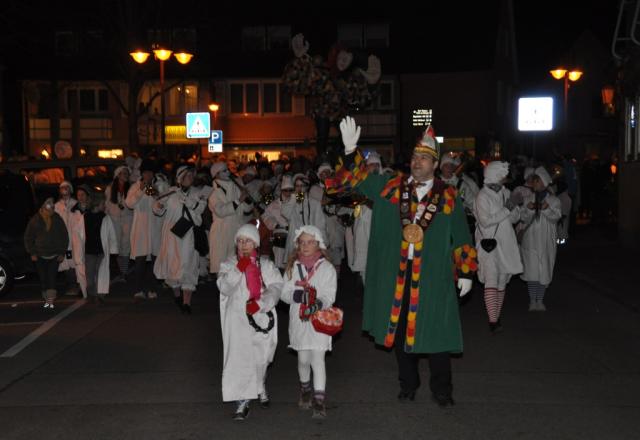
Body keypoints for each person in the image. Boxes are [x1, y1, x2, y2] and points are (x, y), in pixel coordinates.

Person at [327, 118, 475, 407]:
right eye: (415, 156)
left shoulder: (448, 195)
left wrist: (467, 272)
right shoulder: (391, 187)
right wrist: (350, 151)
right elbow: (357, 181)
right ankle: (408, 383)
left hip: (433, 277)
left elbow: (461, 234)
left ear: (435, 164)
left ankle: (442, 389)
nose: (417, 162)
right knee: (399, 332)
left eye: (424, 158)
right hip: (397, 277)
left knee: (437, 333)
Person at [217, 224, 283, 421]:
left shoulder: (265, 264)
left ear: (255, 243)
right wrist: (239, 269)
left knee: (261, 358)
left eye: (247, 241)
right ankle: (242, 401)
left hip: (260, 317)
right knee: (240, 359)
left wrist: (262, 303)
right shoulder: (229, 264)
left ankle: (259, 385)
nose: (243, 244)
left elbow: (276, 286)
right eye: (240, 241)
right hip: (237, 319)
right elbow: (224, 287)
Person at [280, 225, 337, 419]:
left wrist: (318, 302)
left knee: (317, 359)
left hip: (319, 320)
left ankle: (319, 401)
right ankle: (305, 388)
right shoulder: (292, 267)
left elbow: (330, 294)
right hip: (299, 320)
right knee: (303, 359)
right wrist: (297, 296)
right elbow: (284, 293)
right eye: (302, 242)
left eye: (310, 242)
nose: (305, 246)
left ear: (318, 244)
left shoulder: (327, 268)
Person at [473, 161, 523, 333]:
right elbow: (485, 222)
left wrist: (515, 207)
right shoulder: (482, 196)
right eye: (503, 175)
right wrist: (508, 208)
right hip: (488, 244)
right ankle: (493, 321)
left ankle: (496, 315)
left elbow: (514, 218)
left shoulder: (505, 192)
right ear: (495, 175)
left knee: (502, 281)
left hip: (506, 242)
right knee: (491, 279)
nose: (505, 178)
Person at [154, 166, 206, 314]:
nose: (190, 178)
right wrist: (159, 205)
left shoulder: (198, 193)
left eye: (191, 175)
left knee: (189, 265)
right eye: (187, 175)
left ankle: (186, 302)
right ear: (180, 177)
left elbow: (201, 209)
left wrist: (188, 201)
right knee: (173, 265)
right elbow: (157, 208)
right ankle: (177, 296)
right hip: (172, 236)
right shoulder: (171, 192)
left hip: (189, 236)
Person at [520, 167, 562, 311]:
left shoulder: (554, 200)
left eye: (536, 181)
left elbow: (556, 217)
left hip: (546, 240)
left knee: (544, 270)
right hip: (530, 240)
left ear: (543, 182)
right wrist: (529, 210)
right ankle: (532, 301)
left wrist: (546, 209)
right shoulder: (528, 199)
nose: (534, 183)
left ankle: (540, 300)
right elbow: (523, 218)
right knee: (532, 271)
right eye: (533, 181)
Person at [70, 190, 118, 304]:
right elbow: (77, 233)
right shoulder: (85, 217)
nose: (104, 205)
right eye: (103, 203)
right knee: (90, 276)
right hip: (89, 252)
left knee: (100, 273)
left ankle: (99, 295)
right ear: (97, 204)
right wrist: (77, 250)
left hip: (101, 251)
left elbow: (112, 234)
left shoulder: (105, 218)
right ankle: (92, 292)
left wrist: (113, 249)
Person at [208, 162, 254, 276]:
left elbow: (246, 209)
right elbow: (221, 211)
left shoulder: (236, 187)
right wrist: (239, 200)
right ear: (216, 174)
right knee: (222, 267)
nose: (228, 172)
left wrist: (247, 199)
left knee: (238, 265)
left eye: (227, 170)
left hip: (236, 230)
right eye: (224, 171)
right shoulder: (213, 193)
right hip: (221, 233)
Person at [126, 160, 162, 300]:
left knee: (154, 260)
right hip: (140, 229)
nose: (148, 175)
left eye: (150, 172)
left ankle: (152, 289)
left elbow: (161, 202)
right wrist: (141, 190)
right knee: (140, 260)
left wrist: (154, 192)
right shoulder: (136, 187)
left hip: (155, 228)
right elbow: (129, 203)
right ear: (142, 174)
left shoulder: (158, 185)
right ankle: (139, 289)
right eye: (146, 172)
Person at [24, 197, 69, 309]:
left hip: (54, 255)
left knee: (52, 278)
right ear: (43, 206)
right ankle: (47, 298)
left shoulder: (57, 218)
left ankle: (50, 301)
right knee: (43, 279)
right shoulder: (35, 219)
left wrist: (62, 252)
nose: (51, 208)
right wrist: (32, 252)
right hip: (40, 255)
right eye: (48, 205)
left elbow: (64, 236)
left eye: (52, 205)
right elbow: (28, 237)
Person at [282, 173, 326, 263]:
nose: (299, 188)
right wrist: (294, 197)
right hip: (295, 243)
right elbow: (285, 213)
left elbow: (321, 225)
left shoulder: (315, 203)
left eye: (302, 186)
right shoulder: (291, 202)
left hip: (310, 243)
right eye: (297, 186)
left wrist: (322, 244)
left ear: (306, 187)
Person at [105, 165, 133, 281]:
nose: (126, 175)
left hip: (127, 218)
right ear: (118, 175)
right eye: (123, 173)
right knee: (116, 244)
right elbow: (107, 205)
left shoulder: (131, 188)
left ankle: (124, 272)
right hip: (114, 218)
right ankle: (120, 271)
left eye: (127, 173)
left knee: (126, 244)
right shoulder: (110, 189)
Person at [54, 181, 79, 296]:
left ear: (70, 190)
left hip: (74, 238)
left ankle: (76, 285)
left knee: (74, 261)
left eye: (66, 187)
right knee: (65, 263)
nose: (64, 189)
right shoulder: (56, 206)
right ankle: (71, 285)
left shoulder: (75, 204)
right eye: (62, 188)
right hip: (62, 239)